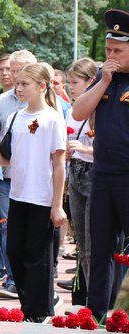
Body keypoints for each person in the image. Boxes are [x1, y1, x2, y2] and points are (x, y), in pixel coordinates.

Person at [0, 63, 67, 322]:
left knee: (37, 257)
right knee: (15, 253)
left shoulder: (52, 119)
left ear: (42, 87)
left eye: (25, 84)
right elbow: (11, 159)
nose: (18, 87)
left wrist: (57, 204)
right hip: (18, 194)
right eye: (18, 83)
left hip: (42, 197)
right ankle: (30, 306)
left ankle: (40, 310)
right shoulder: (15, 117)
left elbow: (58, 164)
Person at [72, 8, 129, 323]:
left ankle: (124, 312)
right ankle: (95, 311)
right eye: (108, 50)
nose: (111, 55)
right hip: (103, 175)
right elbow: (79, 112)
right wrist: (104, 79)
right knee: (100, 244)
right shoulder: (102, 76)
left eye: (118, 51)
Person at [0, 49, 37, 299]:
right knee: (9, 227)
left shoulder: (46, 107)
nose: (14, 76)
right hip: (9, 177)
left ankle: (35, 279)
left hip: (35, 179)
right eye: (13, 71)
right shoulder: (3, 100)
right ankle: (13, 278)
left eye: (21, 72)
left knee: (36, 230)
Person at [57, 58, 97, 304]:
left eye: (75, 82)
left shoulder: (101, 109)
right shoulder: (72, 111)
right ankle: (85, 296)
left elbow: (113, 147)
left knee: (94, 243)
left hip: (95, 173)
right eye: (69, 82)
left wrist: (84, 148)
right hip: (76, 171)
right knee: (81, 241)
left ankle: (97, 300)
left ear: (90, 82)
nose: (70, 87)